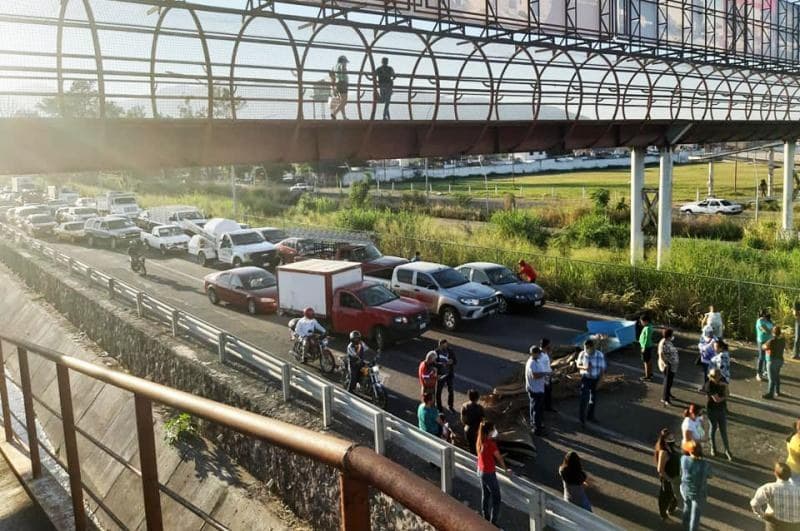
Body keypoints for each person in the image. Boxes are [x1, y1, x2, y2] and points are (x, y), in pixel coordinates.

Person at [476, 420, 510, 525]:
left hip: (480, 470)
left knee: (485, 495)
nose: (495, 430)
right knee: (497, 498)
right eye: (493, 429)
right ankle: (493, 522)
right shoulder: (491, 444)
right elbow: (499, 457)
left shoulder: (480, 440)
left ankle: (485, 517)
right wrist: (505, 469)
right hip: (489, 473)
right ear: (489, 431)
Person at [750, 462, 800, 530]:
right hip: (795, 525)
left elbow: (754, 504)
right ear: (790, 475)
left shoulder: (768, 488)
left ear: (775, 474)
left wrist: (762, 515)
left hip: (774, 522)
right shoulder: (798, 490)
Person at [681, 441, 711, 531]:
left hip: (685, 489)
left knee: (687, 509)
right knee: (695, 517)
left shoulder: (684, 459)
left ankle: (685, 527)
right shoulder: (704, 464)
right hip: (698, 493)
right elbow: (710, 475)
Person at [704, 368, 733, 461]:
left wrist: (725, 386)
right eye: (716, 377)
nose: (719, 378)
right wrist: (725, 395)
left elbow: (728, 392)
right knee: (713, 428)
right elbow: (717, 399)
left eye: (719, 376)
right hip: (712, 410)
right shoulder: (709, 385)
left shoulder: (722, 380)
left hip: (721, 409)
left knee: (723, 430)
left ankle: (727, 450)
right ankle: (713, 448)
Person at [576, 339, 606, 427]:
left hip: (595, 379)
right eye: (585, 348)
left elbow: (602, 370)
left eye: (588, 348)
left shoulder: (599, 355)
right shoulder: (582, 354)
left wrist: (600, 381)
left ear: (592, 347)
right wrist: (584, 368)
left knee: (593, 399)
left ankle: (590, 416)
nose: (586, 350)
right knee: (583, 399)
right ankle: (582, 419)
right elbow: (578, 365)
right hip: (585, 378)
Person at [655, 428, 681, 520]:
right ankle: (664, 514)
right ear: (664, 440)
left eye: (672, 437)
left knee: (675, 496)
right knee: (665, 496)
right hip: (668, 479)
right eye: (669, 438)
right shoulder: (664, 452)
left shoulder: (672, 448)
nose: (672, 440)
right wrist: (669, 480)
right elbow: (660, 469)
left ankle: (671, 509)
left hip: (676, 477)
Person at [525, 346, 551, 436]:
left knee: (534, 408)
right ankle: (537, 429)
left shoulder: (536, 361)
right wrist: (546, 373)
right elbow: (535, 376)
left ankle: (535, 425)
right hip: (535, 390)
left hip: (536, 388)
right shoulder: (532, 363)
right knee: (537, 410)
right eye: (538, 353)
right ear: (534, 353)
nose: (540, 354)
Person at [658, 328, 679, 407]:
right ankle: (665, 398)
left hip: (672, 364)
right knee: (667, 382)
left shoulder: (668, 341)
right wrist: (666, 363)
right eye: (672, 334)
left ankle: (668, 394)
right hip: (668, 365)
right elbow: (661, 354)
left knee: (670, 381)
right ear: (669, 336)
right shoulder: (664, 343)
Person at [434, 339, 457, 412]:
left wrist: (452, 361)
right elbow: (433, 363)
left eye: (446, 345)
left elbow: (455, 361)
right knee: (438, 392)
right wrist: (440, 364)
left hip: (449, 374)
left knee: (450, 390)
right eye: (444, 346)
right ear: (440, 345)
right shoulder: (436, 352)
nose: (446, 347)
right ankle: (439, 407)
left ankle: (450, 406)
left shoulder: (450, 351)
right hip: (440, 375)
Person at [763, 327, 786, 399]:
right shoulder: (782, 340)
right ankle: (777, 391)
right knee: (776, 376)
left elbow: (764, 347)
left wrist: (763, 345)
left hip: (772, 360)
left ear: (773, 332)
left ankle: (770, 393)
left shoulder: (771, 341)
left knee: (771, 378)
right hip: (780, 360)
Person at [460, 389, 485, 454]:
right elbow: (483, 421)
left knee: (471, 447)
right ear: (477, 398)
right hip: (477, 430)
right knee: (479, 447)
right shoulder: (480, 408)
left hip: (468, 430)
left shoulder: (464, 406)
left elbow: (462, 419)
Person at [756, 309, 774, 381]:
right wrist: (773, 331)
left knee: (768, 356)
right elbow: (766, 330)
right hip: (762, 341)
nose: (767, 314)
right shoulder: (759, 321)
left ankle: (766, 370)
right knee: (761, 357)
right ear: (762, 314)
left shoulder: (769, 320)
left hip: (769, 341)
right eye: (765, 313)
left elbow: (772, 328)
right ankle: (758, 373)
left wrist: (773, 331)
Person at [330, 55, 349, 120]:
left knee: (341, 101)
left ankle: (344, 117)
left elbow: (332, 76)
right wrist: (344, 70)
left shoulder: (334, 67)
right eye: (345, 62)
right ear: (343, 61)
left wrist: (333, 87)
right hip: (343, 83)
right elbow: (342, 68)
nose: (346, 63)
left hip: (337, 84)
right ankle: (334, 113)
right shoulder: (342, 65)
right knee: (344, 101)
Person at [540, 338, 556, 412]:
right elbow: (542, 368)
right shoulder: (540, 355)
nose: (550, 346)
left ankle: (548, 407)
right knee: (544, 394)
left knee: (548, 393)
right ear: (546, 345)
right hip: (544, 378)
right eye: (549, 345)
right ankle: (543, 410)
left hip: (548, 376)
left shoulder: (545, 353)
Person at [639, 314, 655, 381]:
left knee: (646, 362)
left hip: (646, 347)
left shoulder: (647, 328)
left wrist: (644, 347)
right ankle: (650, 374)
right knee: (649, 361)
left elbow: (647, 339)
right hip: (649, 346)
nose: (641, 323)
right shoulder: (649, 326)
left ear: (646, 321)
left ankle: (647, 376)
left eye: (642, 321)